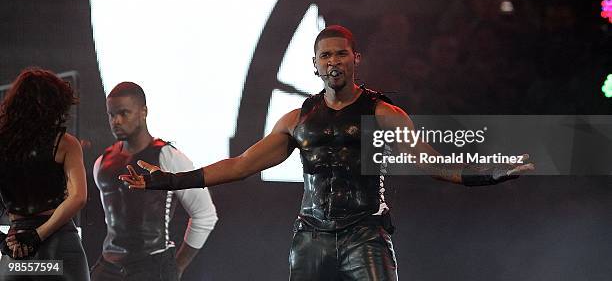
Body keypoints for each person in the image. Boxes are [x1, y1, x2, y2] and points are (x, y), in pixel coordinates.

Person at [120, 25, 534, 280]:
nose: (333, 61)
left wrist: (487, 174)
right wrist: (169, 182)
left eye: (341, 54)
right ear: (314, 65)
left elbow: (427, 161)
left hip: (365, 235)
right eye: (325, 55)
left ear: (355, 60)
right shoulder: (297, 119)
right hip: (312, 237)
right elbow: (243, 165)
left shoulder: (382, 113)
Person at [92, 82, 218, 281]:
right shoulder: (102, 162)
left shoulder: (168, 157)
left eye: (124, 113)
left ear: (143, 112)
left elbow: (205, 215)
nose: (116, 121)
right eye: (111, 114)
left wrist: (177, 267)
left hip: (152, 266)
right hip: (109, 268)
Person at [0, 68, 90, 280]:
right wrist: (38, 236)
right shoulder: (65, 143)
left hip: (16, 251)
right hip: (58, 245)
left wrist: (3, 242)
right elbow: (78, 197)